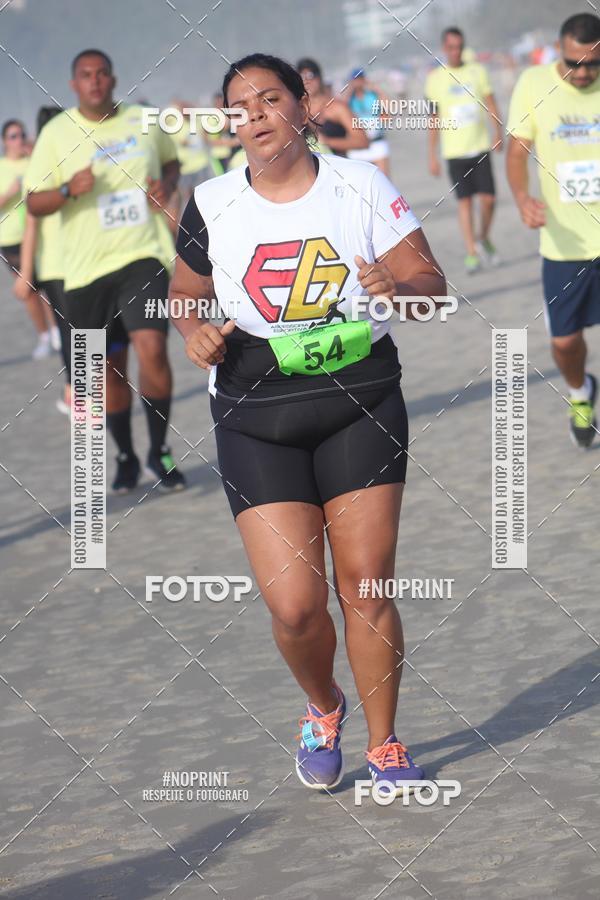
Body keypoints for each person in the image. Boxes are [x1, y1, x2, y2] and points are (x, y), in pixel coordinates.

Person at [169, 53, 447, 795]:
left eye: (269, 98)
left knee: (365, 586)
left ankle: (385, 744)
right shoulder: (212, 201)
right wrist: (193, 328)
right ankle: (323, 707)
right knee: (295, 606)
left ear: (302, 105)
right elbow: (187, 291)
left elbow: (431, 288)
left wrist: (399, 288)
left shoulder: (361, 184)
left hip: (359, 399)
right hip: (256, 412)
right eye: (240, 105)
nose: (255, 114)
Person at [25, 49, 186, 491]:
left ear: (113, 78)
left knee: (152, 348)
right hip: (84, 271)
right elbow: (34, 201)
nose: (94, 81)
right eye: (85, 76)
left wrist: (166, 184)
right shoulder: (57, 134)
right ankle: (126, 455)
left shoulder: (145, 120)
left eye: (101, 74)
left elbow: (172, 162)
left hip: (143, 256)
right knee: (108, 368)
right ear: (74, 84)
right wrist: (66, 189)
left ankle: (159, 450)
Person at [507, 12, 600, 449]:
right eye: (572, 63)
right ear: (558, 53)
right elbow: (516, 150)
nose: (581, 73)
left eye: (591, 65)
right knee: (564, 342)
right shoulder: (532, 83)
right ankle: (581, 391)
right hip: (564, 245)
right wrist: (523, 198)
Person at [425, 27, 503, 273]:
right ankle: (471, 253)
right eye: (451, 47)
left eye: (459, 46)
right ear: (444, 48)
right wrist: (432, 155)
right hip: (454, 152)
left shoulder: (477, 71)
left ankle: (483, 237)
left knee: (489, 200)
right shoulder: (435, 79)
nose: (455, 51)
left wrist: (498, 132)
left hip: (480, 147)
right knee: (465, 203)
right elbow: (434, 118)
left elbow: (491, 104)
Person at [15, 107, 71, 411]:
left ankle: (82, 396)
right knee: (74, 335)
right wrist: (26, 273)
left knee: (90, 335)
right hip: (56, 267)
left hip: (89, 261)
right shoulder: (40, 170)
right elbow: (31, 225)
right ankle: (76, 398)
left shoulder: (78, 160)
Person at [0, 118, 59, 358]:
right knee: (30, 290)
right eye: (13, 136)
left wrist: (35, 153)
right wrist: (10, 193)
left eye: (22, 134)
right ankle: (43, 336)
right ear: (4, 141)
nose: (19, 140)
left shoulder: (35, 160)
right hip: (11, 236)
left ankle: (57, 331)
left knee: (48, 285)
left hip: (40, 233)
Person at [296, 58, 368, 156]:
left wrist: (327, 142)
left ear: (320, 78)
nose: (307, 81)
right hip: (309, 169)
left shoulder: (338, 107)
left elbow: (362, 141)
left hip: (338, 165)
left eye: (310, 76)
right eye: (302, 77)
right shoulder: (296, 109)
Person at [346, 68, 392, 176]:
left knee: (384, 178)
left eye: (360, 79)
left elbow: (388, 109)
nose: (358, 82)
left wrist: (376, 88)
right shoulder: (350, 99)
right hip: (358, 145)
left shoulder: (372, 95)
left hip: (377, 142)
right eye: (356, 80)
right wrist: (349, 90)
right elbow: (341, 108)